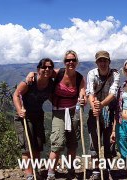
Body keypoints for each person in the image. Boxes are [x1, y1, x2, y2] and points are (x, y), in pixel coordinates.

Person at [45, 50, 86, 180]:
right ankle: (51, 172)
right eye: (68, 60)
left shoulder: (79, 78)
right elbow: (43, 73)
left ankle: (71, 170)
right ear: (64, 62)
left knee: (72, 143)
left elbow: (82, 92)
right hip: (58, 112)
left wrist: (82, 99)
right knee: (57, 142)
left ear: (77, 62)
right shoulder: (58, 73)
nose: (71, 62)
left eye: (73, 60)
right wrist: (31, 74)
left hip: (73, 112)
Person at [13, 58, 54, 180]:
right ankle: (29, 175)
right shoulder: (29, 82)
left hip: (38, 115)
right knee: (27, 147)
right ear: (38, 69)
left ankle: (35, 171)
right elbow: (16, 94)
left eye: (49, 67)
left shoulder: (50, 84)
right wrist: (19, 110)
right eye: (44, 67)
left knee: (37, 145)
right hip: (24, 116)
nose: (47, 69)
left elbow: (52, 98)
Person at [86, 50, 120, 179]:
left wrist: (101, 105)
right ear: (96, 62)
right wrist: (94, 106)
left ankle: (107, 168)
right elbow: (90, 92)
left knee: (108, 142)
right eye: (100, 60)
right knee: (94, 141)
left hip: (108, 111)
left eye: (105, 60)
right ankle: (95, 169)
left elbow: (113, 92)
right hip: (95, 110)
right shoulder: (91, 74)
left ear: (109, 62)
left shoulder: (114, 74)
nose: (102, 63)